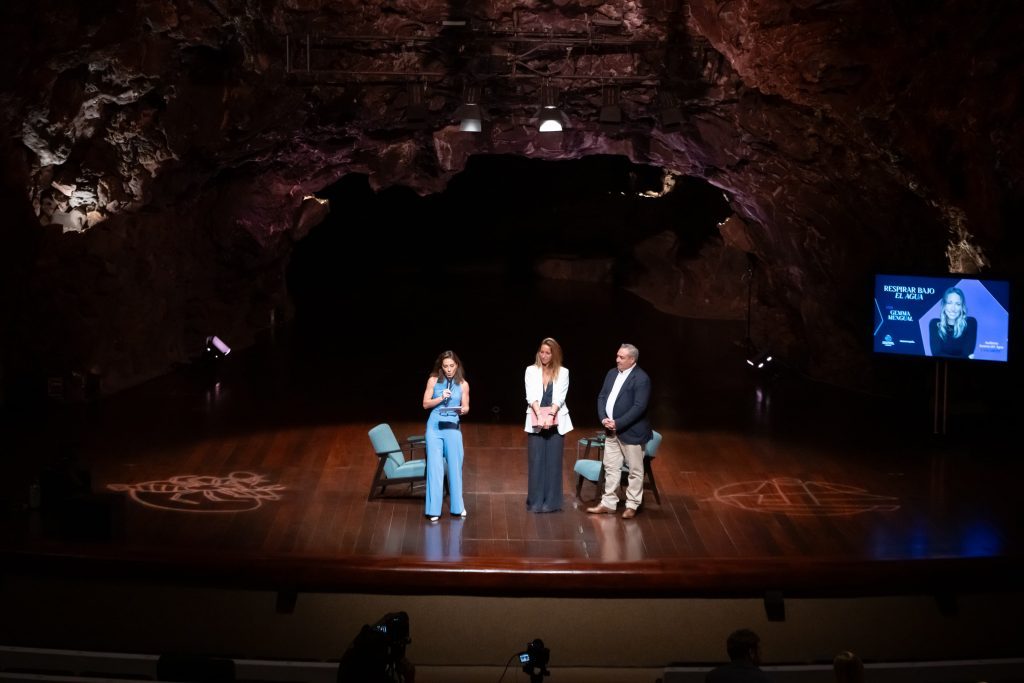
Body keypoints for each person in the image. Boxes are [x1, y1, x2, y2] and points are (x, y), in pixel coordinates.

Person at [587, 343, 652, 520]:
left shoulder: (641, 378)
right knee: (611, 466)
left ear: (632, 359)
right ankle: (608, 503)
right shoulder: (612, 373)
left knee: (635, 470)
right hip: (611, 429)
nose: (617, 360)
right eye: (617, 356)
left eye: (621, 357)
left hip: (631, 432)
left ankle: (632, 505)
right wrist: (603, 419)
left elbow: (639, 407)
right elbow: (602, 397)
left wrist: (618, 423)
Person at [523, 337, 574, 513]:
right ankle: (535, 501)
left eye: (548, 353)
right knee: (536, 461)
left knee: (553, 463)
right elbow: (530, 396)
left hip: (556, 420)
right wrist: (540, 416)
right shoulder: (531, 370)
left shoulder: (563, 372)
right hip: (536, 419)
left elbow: (560, 397)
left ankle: (552, 502)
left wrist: (550, 416)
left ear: (554, 355)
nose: (544, 356)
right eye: (542, 352)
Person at [421, 350, 469, 522]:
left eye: (452, 366)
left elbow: (466, 406)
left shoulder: (463, 384)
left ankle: (458, 506)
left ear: (457, 366)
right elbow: (425, 404)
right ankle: (434, 509)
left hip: (453, 427)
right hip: (434, 427)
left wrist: (464, 410)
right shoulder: (433, 381)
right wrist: (441, 398)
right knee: (435, 468)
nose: (449, 369)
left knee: (455, 468)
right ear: (441, 367)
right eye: (446, 366)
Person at [705, 628, 772, 683]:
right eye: (759, 649)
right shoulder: (764, 679)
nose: (761, 653)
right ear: (751, 652)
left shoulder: (712, 677)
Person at [928, 286, 977, 358]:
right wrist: (966, 358)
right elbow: (936, 354)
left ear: (962, 307)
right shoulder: (935, 324)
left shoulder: (970, 323)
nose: (953, 308)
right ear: (944, 305)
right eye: (949, 303)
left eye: (958, 304)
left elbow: (967, 353)